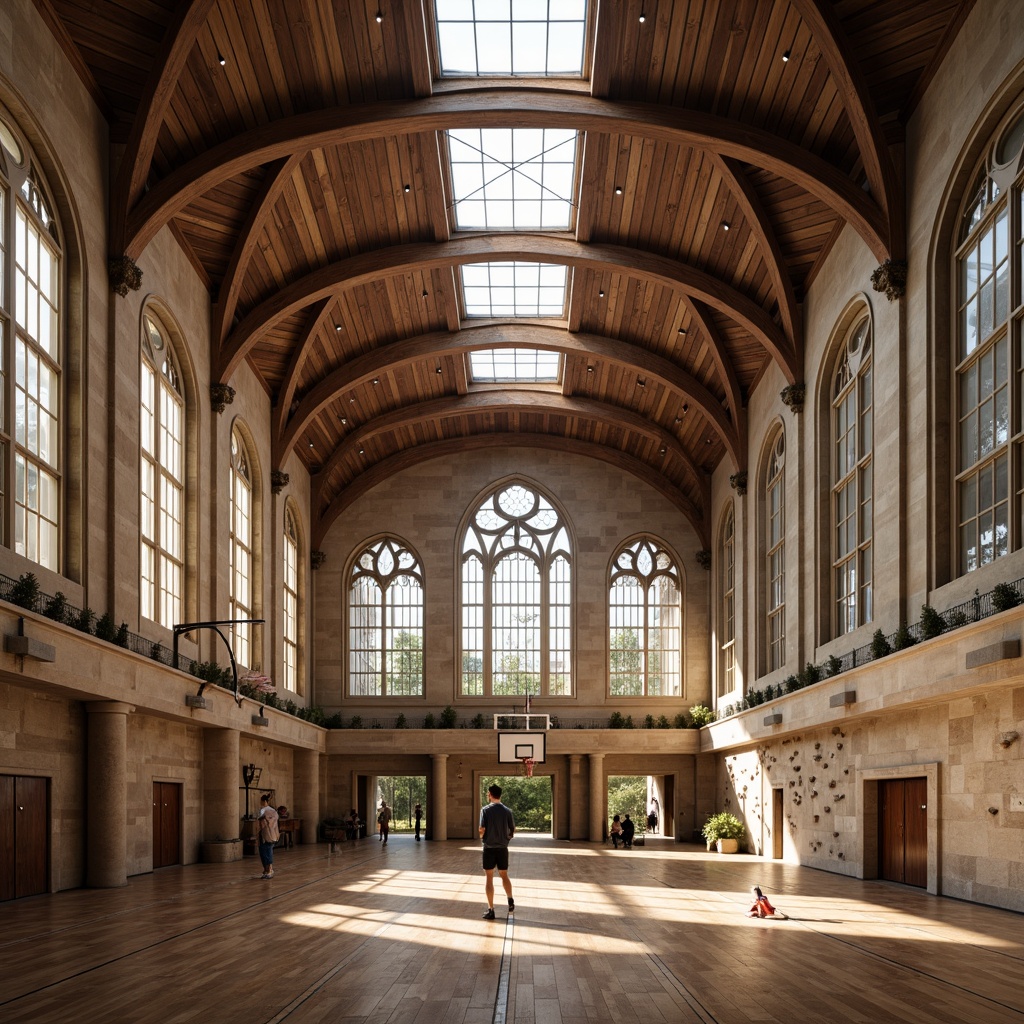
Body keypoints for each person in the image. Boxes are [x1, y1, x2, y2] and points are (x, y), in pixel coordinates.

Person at [479, 783, 515, 920]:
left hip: (489, 848)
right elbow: (512, 830)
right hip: (502, 848)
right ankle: (510, 899)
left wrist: (483, 837)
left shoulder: (485, 810)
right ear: (500, 795)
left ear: (490, 794)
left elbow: (481, 828)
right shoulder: (507, 811)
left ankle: (491, 909)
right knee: (504, 875)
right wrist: (506, 839)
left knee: (489, 878)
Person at [256, 794, 279, 879]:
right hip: (267, 834)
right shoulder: (268, 810)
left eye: (262, 801)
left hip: (267, 834)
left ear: (265, 801)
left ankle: (269, 870)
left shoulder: (267, 811)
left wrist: (263, 819)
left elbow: (266, 823)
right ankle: (267, 870)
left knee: (266, 852)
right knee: (266, 852)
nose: (261, 803)